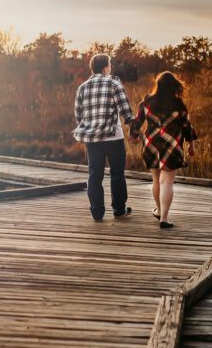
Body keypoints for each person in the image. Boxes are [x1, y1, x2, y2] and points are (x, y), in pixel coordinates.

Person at [129, 71, 197, 229]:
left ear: (158, 85)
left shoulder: (147, 102)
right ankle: (164, 219)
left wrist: (134, 136)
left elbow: (137, 121)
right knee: (167, 182)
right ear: (174, 86)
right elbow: (187, 126)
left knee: (156, 180)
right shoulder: (179, 104)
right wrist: (191, 145)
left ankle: (159, 210)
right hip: (172, 144)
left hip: (151, 143)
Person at [73, 53, 136, 222]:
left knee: (95, 175)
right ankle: (119, 210)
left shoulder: (83, 87)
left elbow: (79, 115)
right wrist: (134, 126)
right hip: (113, 137)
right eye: (110, 64)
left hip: (92, 140)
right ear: (105, 67)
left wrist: (91, 127)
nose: (111, 67)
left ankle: (97, 212)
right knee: (117, 174)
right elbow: (125, 111)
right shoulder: (114, 84)